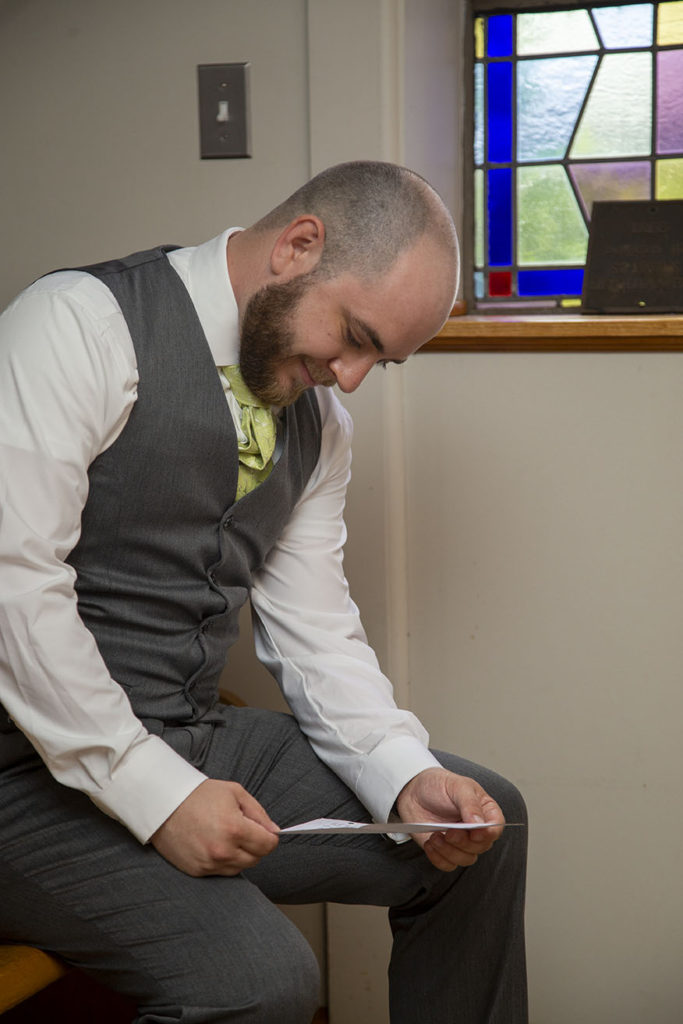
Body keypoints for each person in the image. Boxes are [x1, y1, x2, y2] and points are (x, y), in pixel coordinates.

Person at [0, 161, 527, 1023]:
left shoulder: (322, 427)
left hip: (190, 740)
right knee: (262, 984)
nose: (350, 377)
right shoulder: (76, 325)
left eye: (378, 362)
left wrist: (402, 775)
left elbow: (315, 632)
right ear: (298, 245)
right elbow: (12, 588)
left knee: (479, 830)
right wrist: (158, 794)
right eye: (352, 335)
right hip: (21, 778)